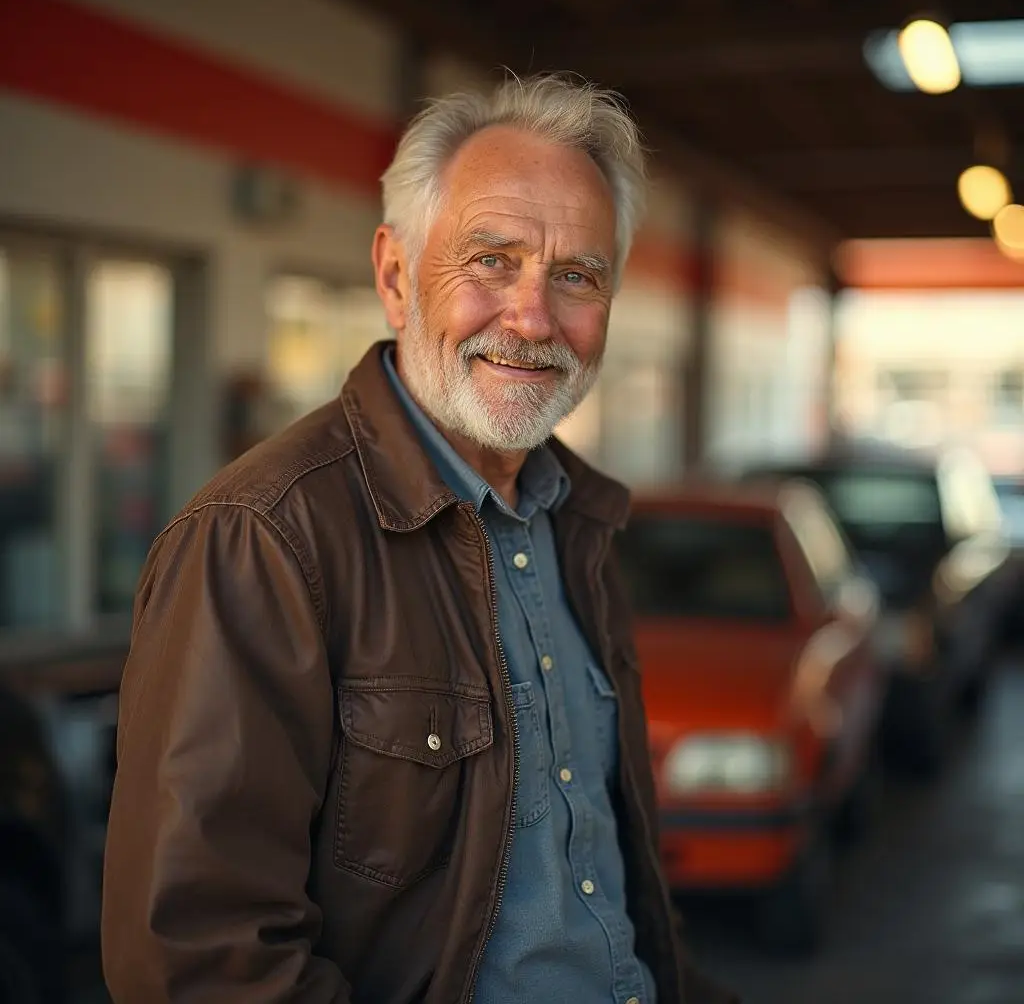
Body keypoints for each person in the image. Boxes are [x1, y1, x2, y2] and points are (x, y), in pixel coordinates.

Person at [102, 73, 739, 1004]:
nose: (532, 318)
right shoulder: (263, 537)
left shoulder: (578, 523)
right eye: (492, 259)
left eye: (577, 275)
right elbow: (198, 962)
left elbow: (604, 883)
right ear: (396, 276)